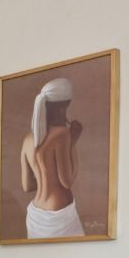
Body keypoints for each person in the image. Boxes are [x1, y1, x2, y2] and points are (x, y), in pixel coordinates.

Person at [20, 75, 85, 238]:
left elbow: (27, 186)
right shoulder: (62, 134)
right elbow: (67, 181)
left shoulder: (28, 139)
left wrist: (46, 179)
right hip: (59, 216)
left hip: (35, 216)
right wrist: (73, 142)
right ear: (67, 103)